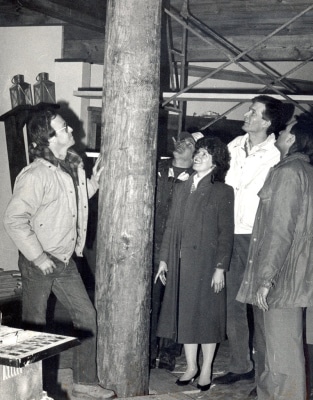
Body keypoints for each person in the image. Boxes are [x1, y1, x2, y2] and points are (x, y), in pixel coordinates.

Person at [3, 109, 115, 400]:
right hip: (38, 260)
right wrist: (39, 257)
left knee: (87, 316)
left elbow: (72, 201)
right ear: (49, 138)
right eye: (64, 128)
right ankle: (31, 390)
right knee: (35, 327)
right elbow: (14, 219)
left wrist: (95, 183)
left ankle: (85, 382)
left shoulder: (73, 166)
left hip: (64, 259)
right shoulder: (36, 174)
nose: (71, 131)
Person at [236, 113, 313, 400]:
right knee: (272, 350)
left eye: (284, 131)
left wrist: (266, 279)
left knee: (282, 356)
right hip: (287, 273)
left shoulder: (289, 173)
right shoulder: (300, 171)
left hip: (281, 277)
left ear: (292, 140)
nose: (279, 133)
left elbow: (279, 232)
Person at [213, 95, 283, 393]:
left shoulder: (277, 154)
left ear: (266, 122)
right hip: (229, 233)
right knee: (232, 306)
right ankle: (241, 365)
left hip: (257, 236)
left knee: (259, 307)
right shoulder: (232, 148)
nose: (246, 114)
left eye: (253, 112)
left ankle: (266, 375)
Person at [155, 136, 234, 392]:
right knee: (186, 316)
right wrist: (164, 259)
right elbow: (170, 227)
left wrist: (221, 267)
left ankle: (207, 367)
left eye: (205, 154)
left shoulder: (222, 191)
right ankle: (191, 366)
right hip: (182, 263)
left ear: (216, 162)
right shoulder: (181, 187)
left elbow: (226, 232)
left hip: (208, 265)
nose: (198, 157)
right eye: (197, 152)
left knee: (208, 318)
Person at [150, 130, 204, 370]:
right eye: (179, 140)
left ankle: (170, 352)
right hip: (151, 249)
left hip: (180, 251)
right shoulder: (156, 168)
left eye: (189, 143)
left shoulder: (200, 177)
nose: (181, 144)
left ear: (196, 153)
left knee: (176, 304)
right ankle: (148, 350)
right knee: (150, 302)